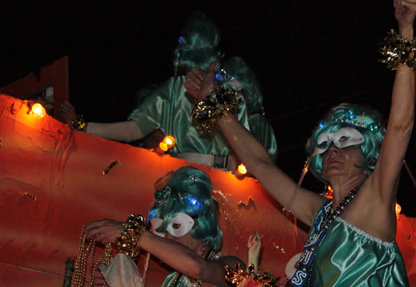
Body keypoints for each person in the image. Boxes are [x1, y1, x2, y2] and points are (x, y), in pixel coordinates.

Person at [185, 0, 416, 287]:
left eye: (346, 140)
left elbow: (400, 127)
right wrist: (215, 107)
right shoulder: (320, 214)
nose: (333, 150)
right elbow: (261, 166)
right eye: (325, 144)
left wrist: (406, 34)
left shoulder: (375, 200)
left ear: (369, 153)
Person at [59, 14, 277, 170]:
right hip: (197, 179)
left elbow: (131, 130)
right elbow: (134, 130)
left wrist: (83, 126)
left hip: (221, 182)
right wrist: (82, 126)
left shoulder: (225, 90)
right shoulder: (176, 90)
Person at [85, 166, 242, 287]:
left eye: (176, 226)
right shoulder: (172, 284)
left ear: (201, 229)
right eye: (162, 229)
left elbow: (198, 268)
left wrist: (135, 234)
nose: (168, 237)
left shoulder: (232, 265)